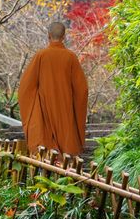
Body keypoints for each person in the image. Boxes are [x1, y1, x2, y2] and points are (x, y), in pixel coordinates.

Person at [18, 21, 88, 156]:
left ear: (48, 35)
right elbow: (82, 91)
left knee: (45, 151)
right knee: (67, 156)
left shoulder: (41, 56)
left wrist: (37, 104)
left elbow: (25, 89)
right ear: (64, 37)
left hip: (44, 113)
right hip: (65, 114)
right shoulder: (71, 57)